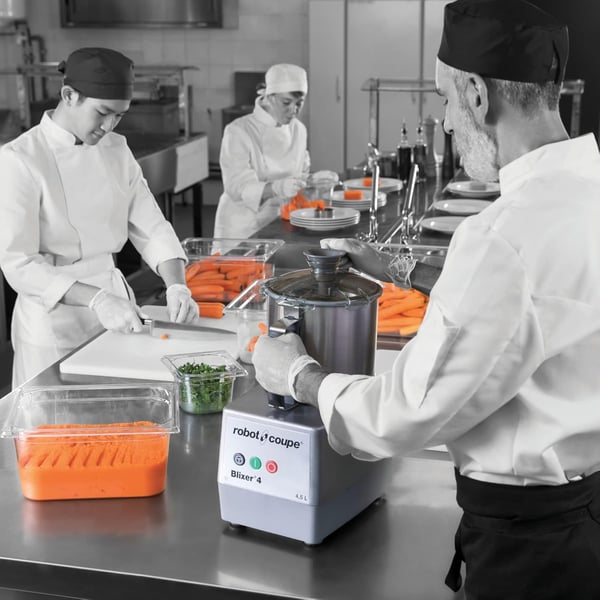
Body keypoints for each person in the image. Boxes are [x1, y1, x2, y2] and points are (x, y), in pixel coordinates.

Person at [253, 1, 600, 598]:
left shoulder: (501, 237)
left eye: (445, 100)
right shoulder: (585, 188)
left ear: (477, 95)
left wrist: (299, 376)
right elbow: (538, 304)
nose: (445, 122)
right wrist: (399, 269)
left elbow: (400, 415)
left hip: (532, 548)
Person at [0, 47, 198, 389]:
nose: (108, 126)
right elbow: (18, 263)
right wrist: (96, 299)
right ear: (69, 95)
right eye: (102, 112)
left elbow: (151, 225)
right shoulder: (20, 158)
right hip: (53, 318)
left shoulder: (116, 149)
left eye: (119, 116)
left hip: (117, 309)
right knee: (56, 416)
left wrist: (177, 285)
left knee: (115, 408)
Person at [213, 63, 310, 240]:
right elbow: (236, 187)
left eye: (299, 103)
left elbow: (300, 175)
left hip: (281, 221)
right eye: (286, 102)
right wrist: (276, 188)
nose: (293, 110)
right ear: (269, 96)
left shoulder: (299, 130)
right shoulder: (238, 130)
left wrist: (314, 182)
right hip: (242, 227)